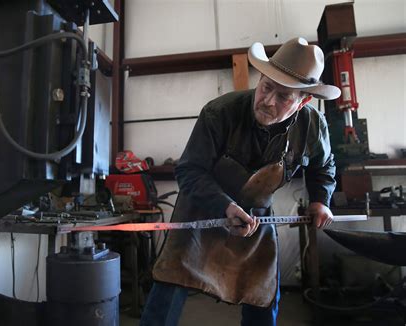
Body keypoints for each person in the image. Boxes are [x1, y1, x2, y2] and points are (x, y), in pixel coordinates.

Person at [140, 37, 341, 326]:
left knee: (264, 295)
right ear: (261, 77)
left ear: (303, 101)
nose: (269, 101)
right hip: (201, 211)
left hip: (255, 219)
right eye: (266, 87)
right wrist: (225, 207)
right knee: (168, 288)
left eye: (284, 96)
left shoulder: (312, 126)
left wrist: (322, 200)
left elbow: (324, 166)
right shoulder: (219, 113)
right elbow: (189, 171)